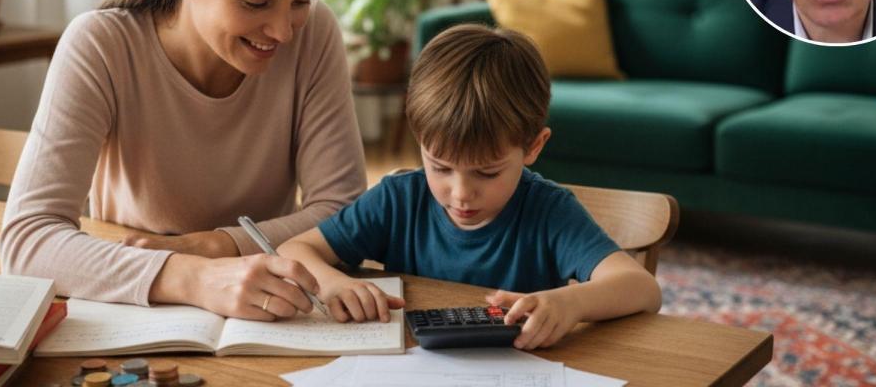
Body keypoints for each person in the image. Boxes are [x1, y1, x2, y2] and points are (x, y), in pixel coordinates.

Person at [0, 0, 367, 321]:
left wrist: (216, 245)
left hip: (271, 310)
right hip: (134, 306)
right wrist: (192, 274)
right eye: (256, 2)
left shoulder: (314, 33)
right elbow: (27, 239)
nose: (284, 31)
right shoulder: (102, 45)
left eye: (301, 0)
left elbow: (345, 211)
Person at [279, 24, 662, 350]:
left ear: (534, 146)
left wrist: (570, 304)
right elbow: (296, 248)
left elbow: (643, 289)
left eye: (487, 173)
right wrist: (330, 282)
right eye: (440, 167)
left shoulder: (549, 212)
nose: (461, 193)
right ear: (419, 140)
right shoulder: (398, 200)